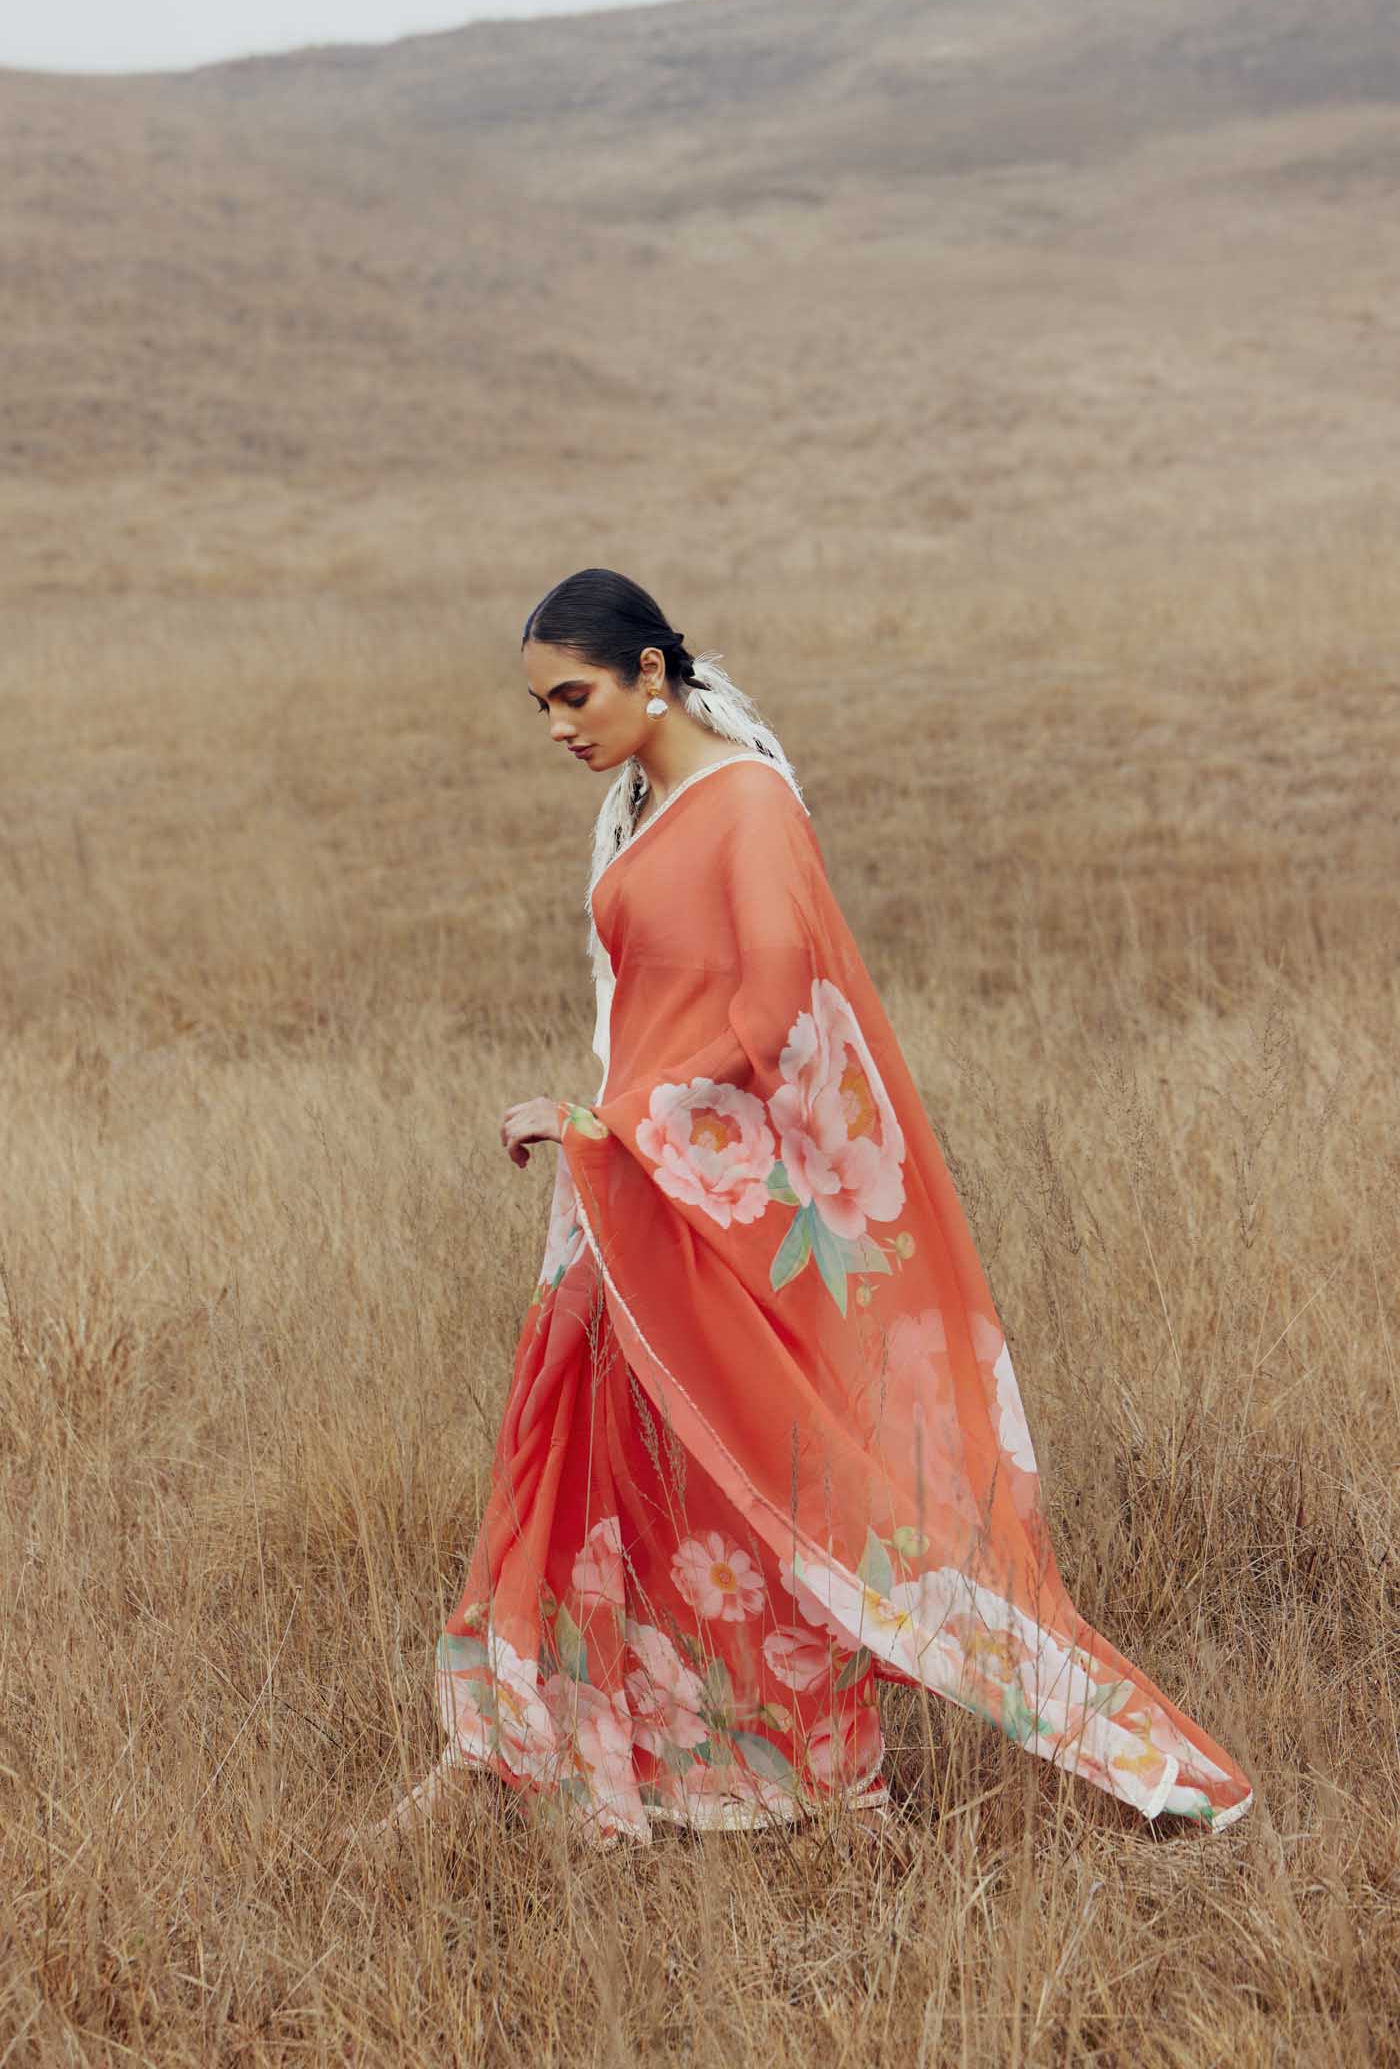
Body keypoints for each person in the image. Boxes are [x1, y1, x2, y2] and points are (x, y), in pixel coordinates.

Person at [367, 567, 1255, 1854]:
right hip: (638, 1203)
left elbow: (776, 1011)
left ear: (651, 675)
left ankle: (841, 1787)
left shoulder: (746, 804)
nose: (558, 724)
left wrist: (616, 1123)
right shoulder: (642, 805)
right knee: (593, 1474)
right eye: (539, 705)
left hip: (709, 1199)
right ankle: (507, 1752)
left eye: (575, 694)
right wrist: (605, 1141)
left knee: (782, 1492)